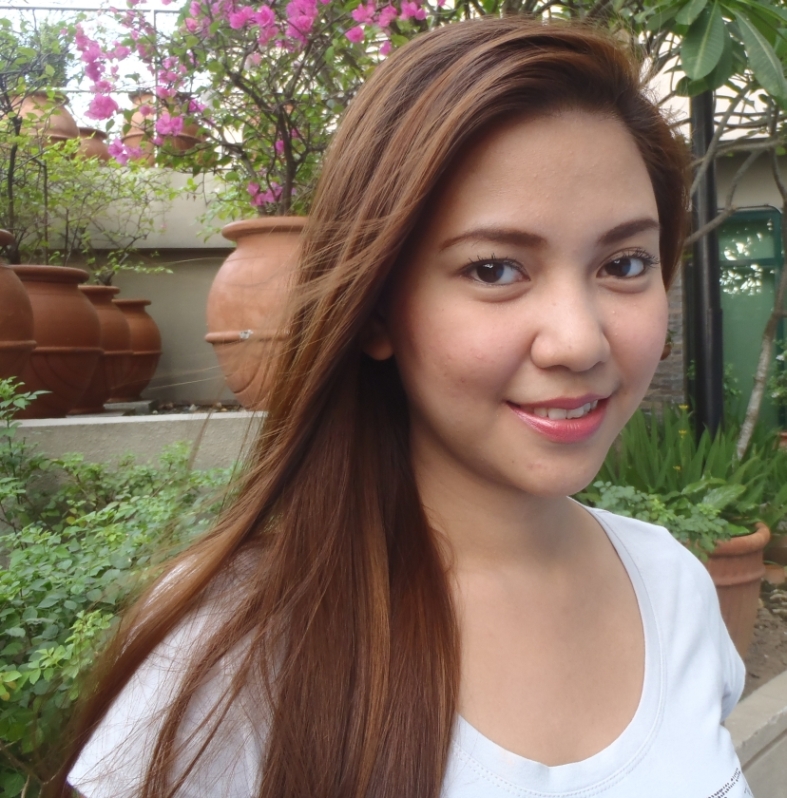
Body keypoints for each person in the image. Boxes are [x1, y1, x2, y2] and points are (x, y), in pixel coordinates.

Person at [60, 17, 751, 798]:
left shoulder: (672, 588)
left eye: (623, 264)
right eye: (494, 269)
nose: (578, 341)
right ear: (377, 311)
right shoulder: (236, 643)